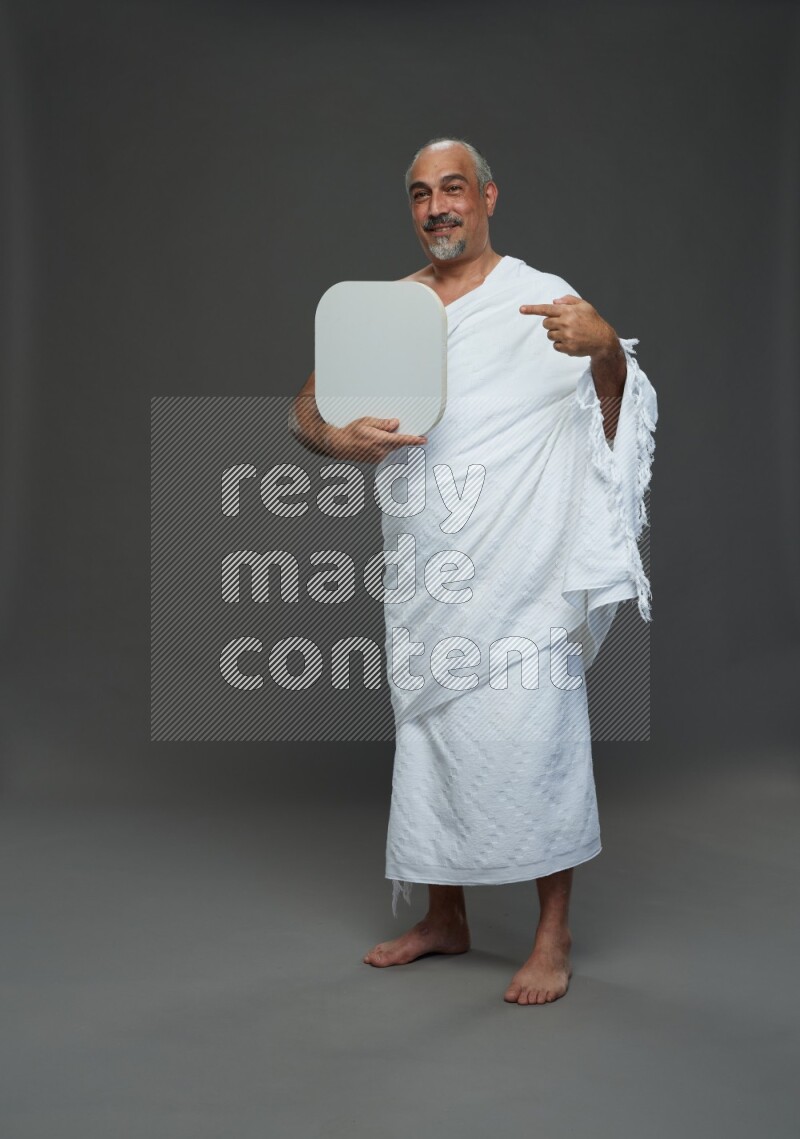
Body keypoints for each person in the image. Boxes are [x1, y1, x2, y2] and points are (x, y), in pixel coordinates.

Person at [289, 137, 657, 1005]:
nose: (437, 208)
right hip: (428, 568)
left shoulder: (540, 299)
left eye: (453, 189)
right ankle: (443, 916)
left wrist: (605, 349)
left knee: (540, 740)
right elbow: (304, 409)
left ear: (488, 196)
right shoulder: (387, 310)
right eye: (420, 195)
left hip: (524, 567)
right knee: (431, 738)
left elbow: (617, 410)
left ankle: (552, 934)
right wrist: (338, 438)